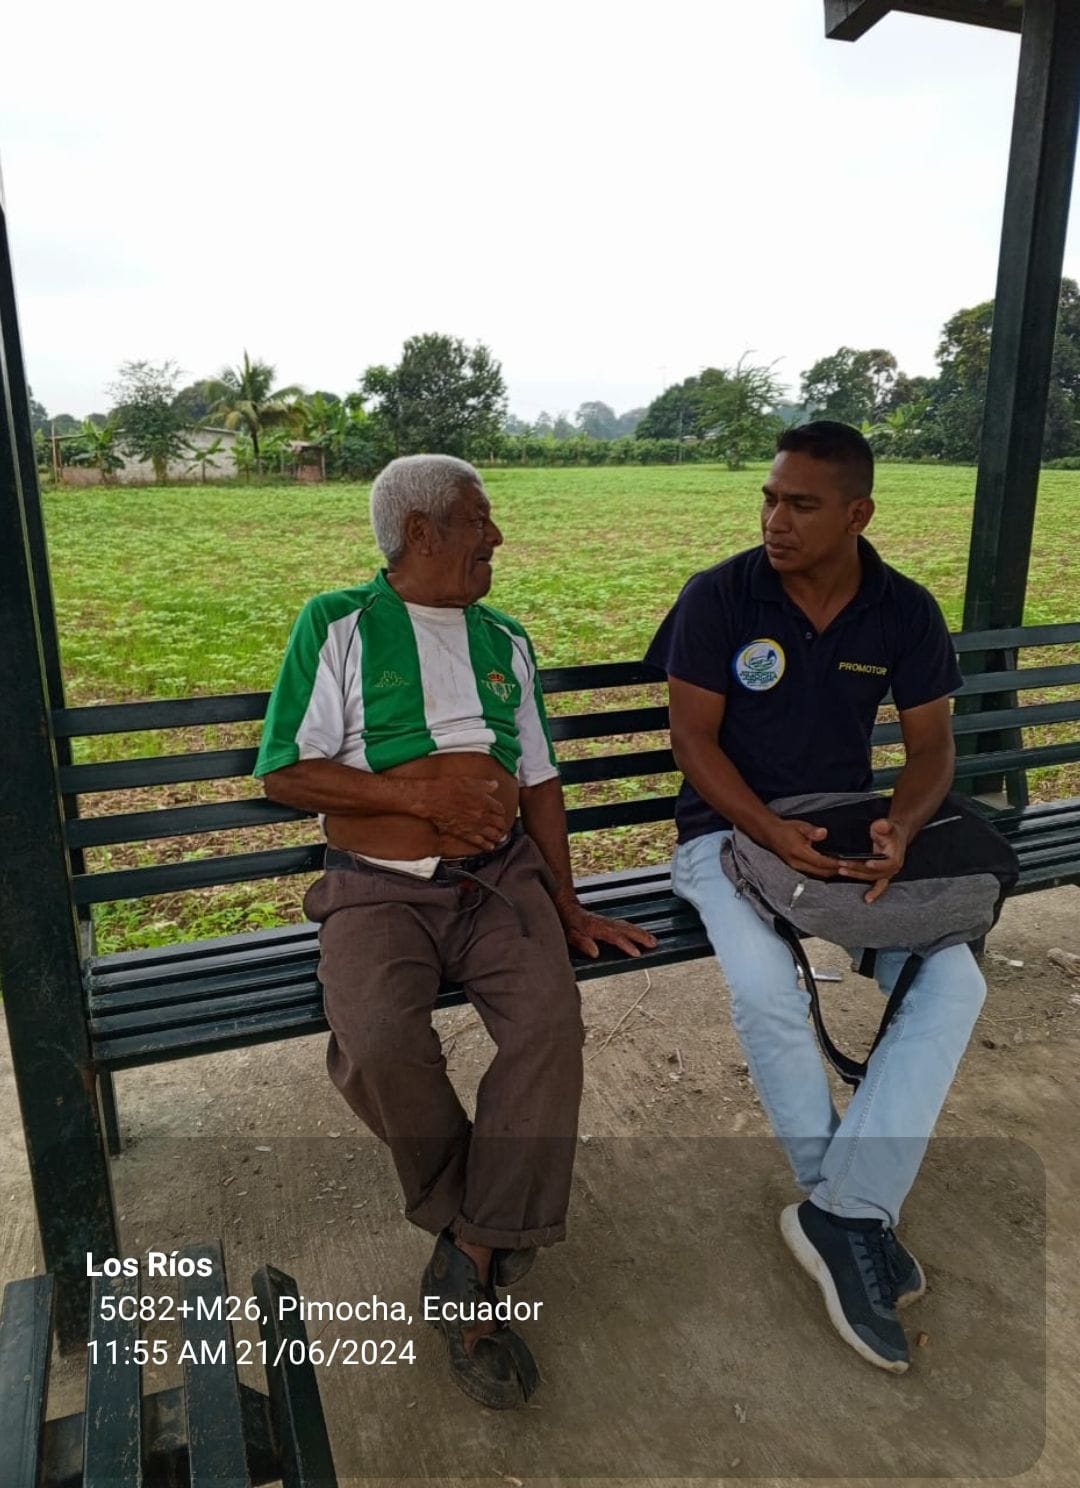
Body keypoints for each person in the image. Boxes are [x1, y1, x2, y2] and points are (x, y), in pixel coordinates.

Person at [255, 453, 655, 1409]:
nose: (497, 538)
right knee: (376, 1042)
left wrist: (566, 903)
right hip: (376, 889)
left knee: (549, 1026)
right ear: (422, 532)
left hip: (500, 881)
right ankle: (478, 1214)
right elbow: (285, 771)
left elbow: (540, 782)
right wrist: (419, 798)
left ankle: (469, 1251)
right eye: (480, 521)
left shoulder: (504, 638)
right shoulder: (338, 624)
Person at [645, 421, 986, 1374]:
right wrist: (763, 827)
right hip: (723, 836)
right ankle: (846, 1207)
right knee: (766, 989)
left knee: (956, 982)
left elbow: (931, 749)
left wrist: (900, 829)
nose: (775, 520)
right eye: (769, 498)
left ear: (857, 514)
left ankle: (842, 1212)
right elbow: (692, 742)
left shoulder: (902, 609)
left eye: (801, 504)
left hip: (840, 835)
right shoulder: (721, 596)